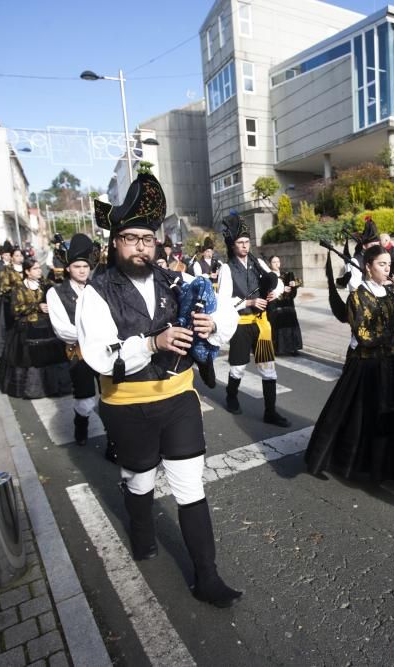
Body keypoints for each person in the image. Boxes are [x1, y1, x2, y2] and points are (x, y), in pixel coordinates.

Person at [77, 171, 242, 608]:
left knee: (191, 487)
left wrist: (210, 327)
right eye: (131, 239)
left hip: (178, 400)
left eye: (147, 239)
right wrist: (151, 343)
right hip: (127, 407)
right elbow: (97, 355)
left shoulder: (175, 280)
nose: (140, 247)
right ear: (115, 242)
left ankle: (207, 576)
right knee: (140, 480)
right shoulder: (95, 293)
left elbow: (223, 314)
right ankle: (142, 531)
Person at [304, 245, 394, 496]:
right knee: (361, 418)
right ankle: (361, 465)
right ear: (368, 267)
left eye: (388, 265)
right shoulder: (357, 297)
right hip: (367, 365)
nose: (387, 269)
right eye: (381, 264)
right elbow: (364, 334)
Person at [217, 215, 290, 427]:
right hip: (241, 326)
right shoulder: (226, 269)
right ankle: (231, 396)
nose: (245, 246)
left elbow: (275, 281)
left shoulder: (258, 263)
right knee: (238, 368)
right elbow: (224, 303)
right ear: (232, 245)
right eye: (240, 243)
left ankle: (270, 411)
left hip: (261, 324)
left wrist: (274, 293)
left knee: (268, 369)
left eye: (247, 242)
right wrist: (249, 301)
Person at [47, 234, 100, 446]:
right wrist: (93, 334)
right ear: (68, 268)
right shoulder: (56, 292)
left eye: (85, 266)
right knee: (85, 398)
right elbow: (62, 329)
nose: (82, 270)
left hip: (104, 349)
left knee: (110, 394)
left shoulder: (98, 288)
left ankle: (114, 440)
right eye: (77, 266)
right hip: (78, 352)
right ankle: (81, 425)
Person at [0, 258, 72, 399]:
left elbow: (59, 290)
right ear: (27, 272)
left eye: (39, 268)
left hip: (47, 326)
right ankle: (35, 389)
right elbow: (15, 309)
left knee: (54, 356)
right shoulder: (19, 287)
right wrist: (36, 307)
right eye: (35, 268)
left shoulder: (45, 284)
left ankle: (56, 387)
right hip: (27, 327)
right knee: (30, 358)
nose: (39, 270)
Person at [0, 243, 23, 360]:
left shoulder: (26, 267)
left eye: (21, 255)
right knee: (8, 326)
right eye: (17, 255)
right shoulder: (6, 269)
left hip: (25, 302)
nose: (20, 258)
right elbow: (4, 287)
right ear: (12, 257)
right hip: (10, 302)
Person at [267, 256, 303, 356]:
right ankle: (277, 349)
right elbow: (266, 289)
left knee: (291, 325)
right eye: (274, 262)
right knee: (277, 327)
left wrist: (294, 283)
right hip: (275, 305)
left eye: (278, 261)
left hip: (288, 304)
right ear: (270, 264)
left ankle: (293, 348)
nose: (276, 263)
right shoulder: (268, 276)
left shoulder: (286, 274)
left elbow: (299, 281)